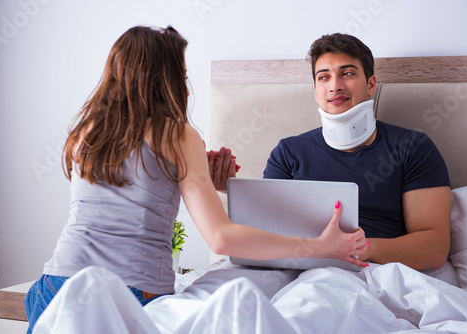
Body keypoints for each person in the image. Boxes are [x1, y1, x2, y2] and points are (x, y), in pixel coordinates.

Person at [24, 26, 368, 333]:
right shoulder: (176, 134)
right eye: (181, 74)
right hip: (130, 294)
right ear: (164, 78)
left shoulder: (86, 131)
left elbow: (128, 189)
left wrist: (196, 174)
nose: (184, 84)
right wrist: (316, 248)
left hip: (52, 288)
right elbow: (221, 239)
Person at [263, 33, 451, 271]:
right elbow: (264, 234)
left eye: (348, 73)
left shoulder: (412, 147)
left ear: (371, 84)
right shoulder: (288, 153)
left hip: (378, 273)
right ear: (315, 91)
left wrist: (362, 248)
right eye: (324, 77)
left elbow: (434, 248)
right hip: (302, 272)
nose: (335, 86)